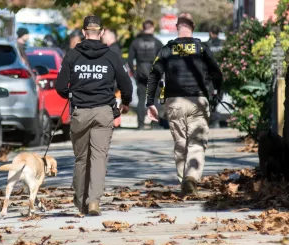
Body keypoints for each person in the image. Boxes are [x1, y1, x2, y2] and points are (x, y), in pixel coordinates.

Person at [55, 15, 133, 216]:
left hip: (80, 112)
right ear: (102, 33)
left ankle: (80, 202)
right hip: (104, 112)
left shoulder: (72, 55)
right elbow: (126, 84)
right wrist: (125, 102)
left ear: (83, 32)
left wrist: (72, 95)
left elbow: (60, 86)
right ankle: (94, 202)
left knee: (81, 159)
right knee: (98, 158)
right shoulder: (112, 56)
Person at [146, 13, 223, 197]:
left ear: (176, 27)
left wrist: (150, 102)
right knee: (196, 143)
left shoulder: (167, 49)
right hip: (198, 100)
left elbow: (154, 75)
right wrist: (216, 95)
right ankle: (191, 178)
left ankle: (184, 182)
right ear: (193, 27)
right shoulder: (202, 48)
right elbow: (217, 73)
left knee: (180, 143)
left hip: (175, 101)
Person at [128, 20, 163, 130]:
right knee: (154, 100)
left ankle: (141, 124)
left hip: (141, 74)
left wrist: (134, 74)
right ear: (152, 28)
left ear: (143, 28)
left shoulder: (136, 42)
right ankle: (155, 124)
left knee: (141, 100)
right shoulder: (157, 42)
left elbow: (129, 60)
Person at [206, 25, 224, 129]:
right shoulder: (223, 44)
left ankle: (213, 118)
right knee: (217, 96)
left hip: (210, 75)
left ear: (210, 33)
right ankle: (214, 118)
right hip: (221, 75)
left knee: (210, 96)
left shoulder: (207, 45)